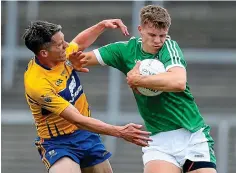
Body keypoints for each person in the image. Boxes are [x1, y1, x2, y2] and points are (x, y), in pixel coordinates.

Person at [70, 5, 217, 173]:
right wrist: (100, 27)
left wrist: (139, 80)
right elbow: (75, 55)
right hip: (159, 140)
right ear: (140, 30)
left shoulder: (169, 48)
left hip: (191, 134)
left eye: (162, 35)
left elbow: (178, 82)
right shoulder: (124, 50)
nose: (157, 41)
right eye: (152, 35)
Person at [22, 19, 151, 173]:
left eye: (64, 40)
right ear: (44, 53)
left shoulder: (60, 53)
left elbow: (79, 43)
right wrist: (121, 132)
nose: (66, 46)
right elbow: (77, 119)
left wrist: (101, 25)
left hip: (86, 134)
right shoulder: (38, 84)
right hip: (58, 142)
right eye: (60, 44)